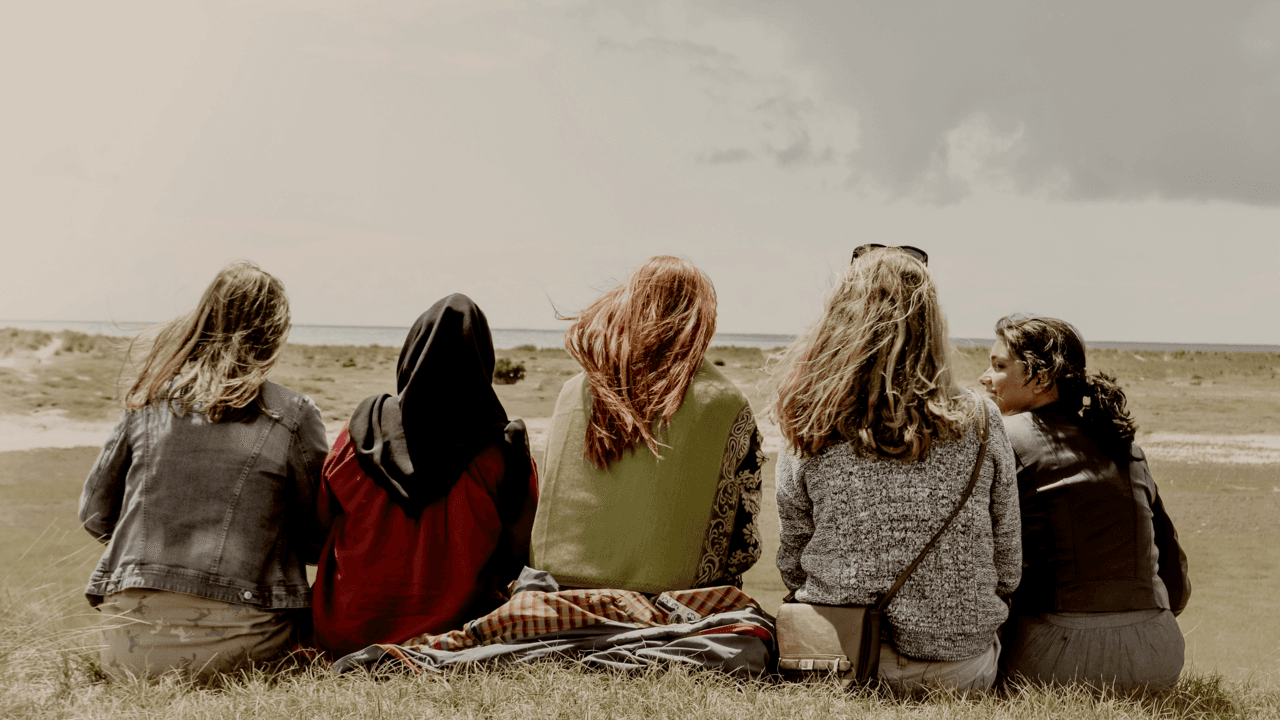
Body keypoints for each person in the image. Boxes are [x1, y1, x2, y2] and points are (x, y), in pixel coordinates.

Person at [772, 247, 1021, 695]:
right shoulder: (981, 419)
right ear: (932, 324)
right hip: (957, 666)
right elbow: (1007, 565)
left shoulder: (809, 417)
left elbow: (793, 556)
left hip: (839, 655)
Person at [79, 261, 327, 680]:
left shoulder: (147, 403)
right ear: (273, 334)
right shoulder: (292, 413)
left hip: (127, 648)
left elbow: (95, 515)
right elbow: (319, 537)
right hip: (242, 645)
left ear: (202, 320)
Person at [311, 294, 538, 657]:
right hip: (452, 633)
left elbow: (321, 526)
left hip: (342, 633)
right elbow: (521, 551)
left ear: (410, 355)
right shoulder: (503, 452)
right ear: (483, 362)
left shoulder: (359, 434)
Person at [980, 315, 1190, 692]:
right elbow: (1175, 577)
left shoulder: (1000, 436)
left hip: (1056, 660)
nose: (985, 378)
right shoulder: (1124, 446)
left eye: (998, 367)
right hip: (1159, 654)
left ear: (1042, 379)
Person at [530, 256, 763, 594]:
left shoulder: (573, 391)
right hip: (674, 595)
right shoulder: (725, 401)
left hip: (557, 587)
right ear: (701, 319)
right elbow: (743, 547)